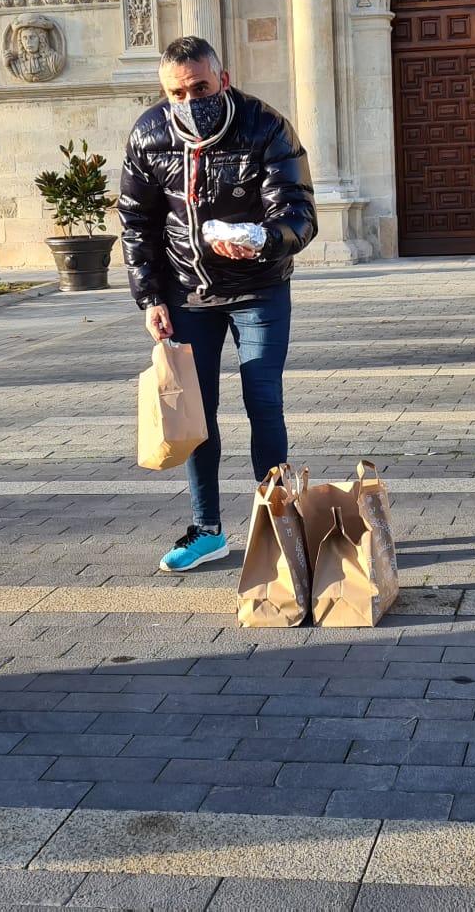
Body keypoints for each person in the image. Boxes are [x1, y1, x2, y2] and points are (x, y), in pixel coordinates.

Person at [118, 36, 317, 573]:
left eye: (199, 88)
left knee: (262, 400)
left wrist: (263, 236)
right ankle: (208, 530)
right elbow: (137, 222)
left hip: (260, 289)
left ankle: (279, 525)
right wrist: (150, 297)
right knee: (195, 413)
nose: (189, 101)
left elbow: (299, 212)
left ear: (222, 80)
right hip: (188, 293)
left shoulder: (264, 125)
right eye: (176, 93)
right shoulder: (150, 133)